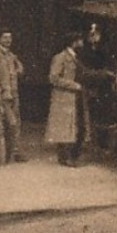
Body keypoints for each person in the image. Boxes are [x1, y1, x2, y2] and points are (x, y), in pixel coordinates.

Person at [45, 36, 85, 166]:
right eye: (80, 41)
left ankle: (68, 157)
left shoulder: (75, 58)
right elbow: (53, 78)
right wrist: (74, 85)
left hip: (73, 97)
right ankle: (66, 158)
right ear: (73, 43)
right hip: (63, 97)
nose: (82, 43)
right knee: (65, 127)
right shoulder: (60, 57)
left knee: (73, 126)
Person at [0, 31, 27, 162]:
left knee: (16, 123)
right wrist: (5, 90)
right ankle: (8, 153)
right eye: (5, 37)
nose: (8, 40)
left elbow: (20, 71)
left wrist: (18, 64)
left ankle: (15, 152)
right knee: (11, 123)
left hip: (14, 92)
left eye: (10, 37)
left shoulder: (11, 55)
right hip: (3, 93)